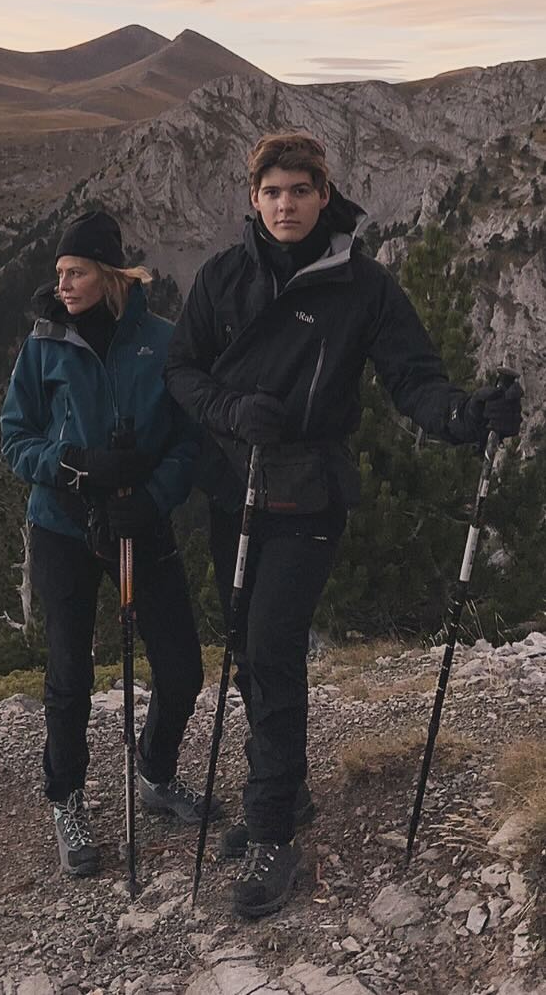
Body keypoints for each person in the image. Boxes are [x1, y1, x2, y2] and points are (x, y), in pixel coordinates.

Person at [165, 131, 523, 919]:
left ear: (325, 196)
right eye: (272, 192)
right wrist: (229, 409)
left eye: (300, 190)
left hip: (310, 494)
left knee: (271, 646)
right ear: (252, 200)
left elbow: (413, 379)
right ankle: (284, 797)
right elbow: (181, 369)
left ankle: (270, 835)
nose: (286, 204)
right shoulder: (222, 278)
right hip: (235, 488)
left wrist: (467, 416)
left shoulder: (364, 287)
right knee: (249, 653)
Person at [1, 207, 215, 878]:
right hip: (62, 525)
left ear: (110, 273)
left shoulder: (162, 340)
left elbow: (188, 442)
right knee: (69, 675)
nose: (62, 284)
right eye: (59, 273)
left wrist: (151, 498)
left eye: (76, 271)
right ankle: (66, 799)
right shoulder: (43, 345)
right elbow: (15, 438)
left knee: (181, 666)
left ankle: (153, 772)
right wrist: (74, 466)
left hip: (139, 521)